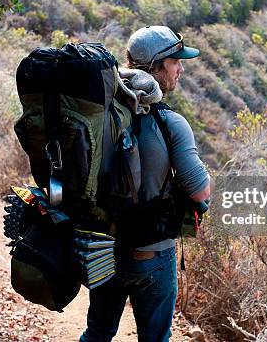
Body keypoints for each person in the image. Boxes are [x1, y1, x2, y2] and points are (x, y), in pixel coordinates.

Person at [80, 26, 211, 342]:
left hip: (102, 247)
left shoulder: (102, 116)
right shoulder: (171, 123)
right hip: (151, 255)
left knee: (97, 333)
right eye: (176, 62)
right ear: (156, 66)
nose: (181, 69)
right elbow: (200, 191)